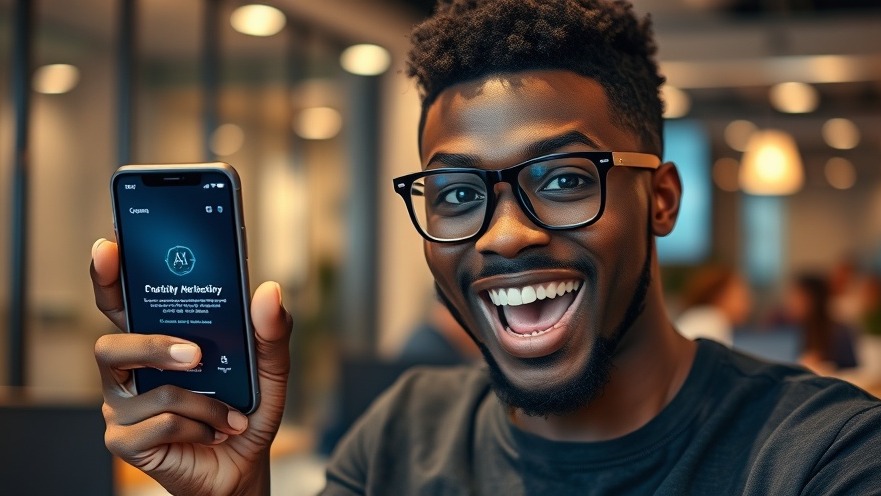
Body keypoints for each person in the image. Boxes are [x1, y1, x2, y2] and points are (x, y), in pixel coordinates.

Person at [91, 0, 881, 494]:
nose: (505, 234)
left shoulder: (821, 456)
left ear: (662, 199)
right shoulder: (400, 443)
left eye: (566, 179)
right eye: (459, 196)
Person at [783, 273, 858, 373]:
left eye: (798, 297)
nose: (792, 303)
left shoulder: (838, 332)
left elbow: (852, 370)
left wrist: (824, 366)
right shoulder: (806, 329)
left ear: (814, 300)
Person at [675, 265, 751, 346]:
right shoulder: (712, 319)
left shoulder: (701, 316)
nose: (747, 304)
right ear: (720, 297)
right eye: (740, 297)